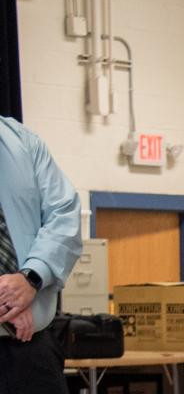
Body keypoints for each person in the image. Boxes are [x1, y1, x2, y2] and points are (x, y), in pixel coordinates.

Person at [0, 116, 82, 394]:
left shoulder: (23, 141)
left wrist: (30, 279)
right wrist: (6, 305)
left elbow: (64, 217)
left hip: (30, 349)